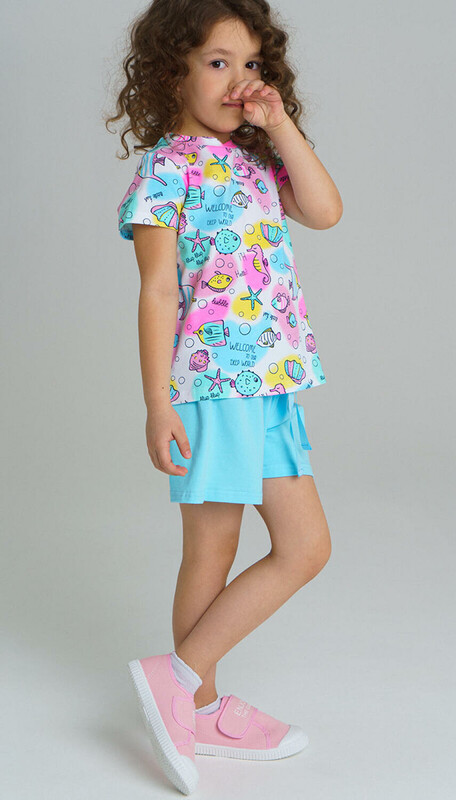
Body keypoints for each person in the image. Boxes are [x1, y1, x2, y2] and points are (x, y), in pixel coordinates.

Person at [106, 0, 342, 793]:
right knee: (212, 549)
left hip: (270, 384)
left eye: (251, 65)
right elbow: (156, 292)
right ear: (170, 71)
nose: (239, 80)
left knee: (305, 547)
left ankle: (178, 683)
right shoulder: (166, 170)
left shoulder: (256, 158)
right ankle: (195, 703)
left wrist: (280, 125)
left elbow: (325, 211)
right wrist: (158, 405)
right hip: (210, 385)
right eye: (218, 62)